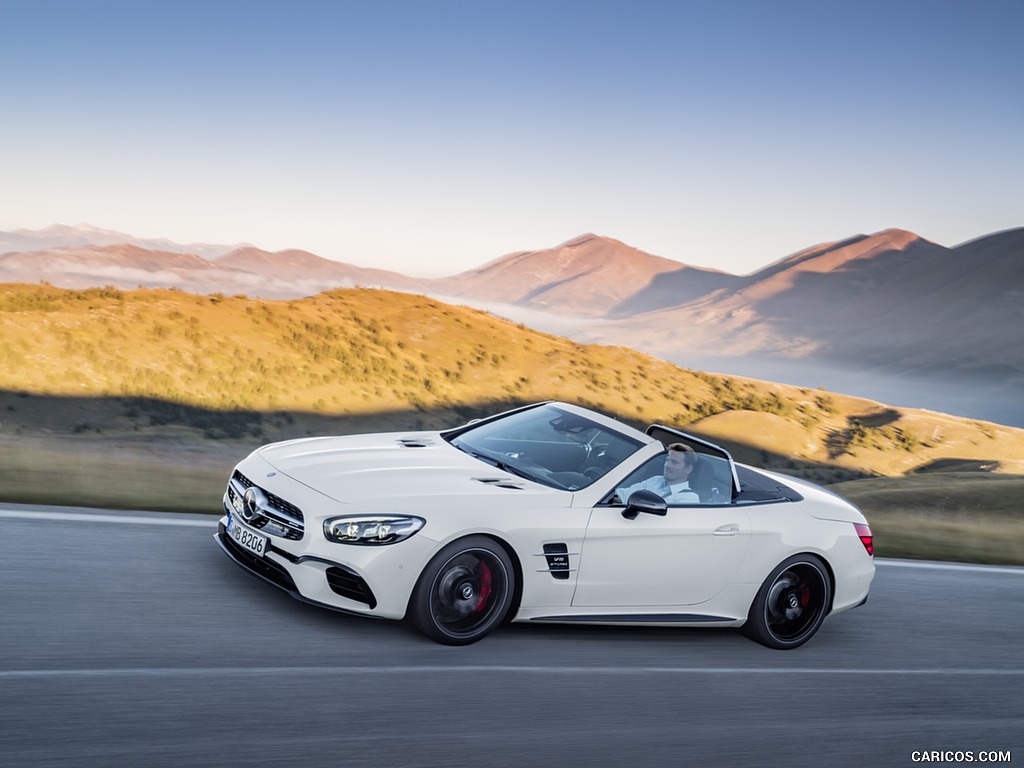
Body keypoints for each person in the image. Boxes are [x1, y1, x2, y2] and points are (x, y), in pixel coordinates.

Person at [617, 443, 700, 504]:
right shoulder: (656, 480)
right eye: (667, 460)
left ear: (688, 469)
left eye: (674, 462)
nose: (667, 465)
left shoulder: (689, 499)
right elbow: (624, 494)